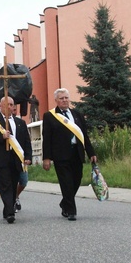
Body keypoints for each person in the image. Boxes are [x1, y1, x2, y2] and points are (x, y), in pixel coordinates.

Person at [42, 88, 97, 221]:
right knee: (66, 183)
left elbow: (84, 135)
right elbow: (47, 138)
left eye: (66, 98)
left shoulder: (77, 114)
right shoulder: (50, 116)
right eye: (61, 98)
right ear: (56, 100)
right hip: (60, 155)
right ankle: (71, 211)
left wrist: (91, 152)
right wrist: (46, 158)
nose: (65, 100)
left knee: (76, 180)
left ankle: (65, 203)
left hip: (77, 153)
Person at [0, 97, 32, 223]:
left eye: (12, 104)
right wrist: (2, 136)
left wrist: (28, 157)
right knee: (5, 185)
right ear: (1, 105)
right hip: (1, 159)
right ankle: (10, 212)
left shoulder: (20, 122)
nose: (11, 107)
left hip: (16, 159)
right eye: (8, 104)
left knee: (13, 184)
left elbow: (26, 141)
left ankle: (7, 209)